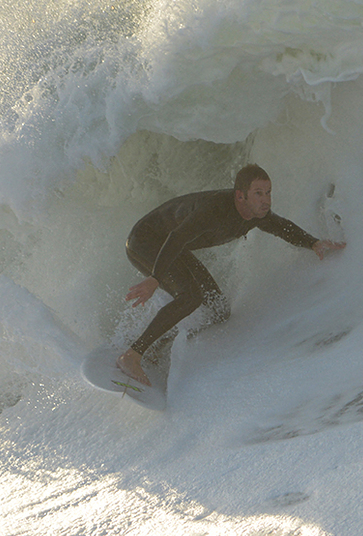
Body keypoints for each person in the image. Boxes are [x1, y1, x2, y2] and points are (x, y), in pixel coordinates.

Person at [117, 164, 345, 385]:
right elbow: (177, 238)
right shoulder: (213, 210)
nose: (266, 199)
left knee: (218, 309)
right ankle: (132, 356)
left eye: (268, 192)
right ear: (240, 196)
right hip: (146, 241)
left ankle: (157, 344)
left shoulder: (257, 214)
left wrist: (313, 243)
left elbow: (280, 226)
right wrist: (155, 278)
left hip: (172, 245)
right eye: (258, 193)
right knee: (190, 297)